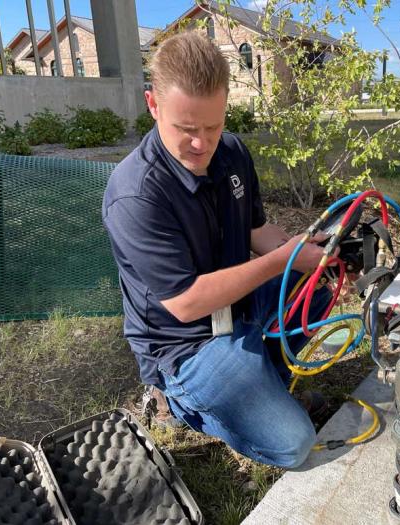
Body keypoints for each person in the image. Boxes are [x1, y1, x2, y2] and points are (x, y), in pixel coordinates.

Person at [102, 32, 332, 468]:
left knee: (316, 281)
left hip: (236, 311)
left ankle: (265, 383)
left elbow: (257, 230)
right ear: (153, 105)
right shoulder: (135, 195)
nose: (201, 143)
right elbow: (188, 304)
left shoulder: (231, 153)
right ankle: (180, 404)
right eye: (186, 129)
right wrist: (280, 261)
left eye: (213, 125)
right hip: (184, 345)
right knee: (294, 444)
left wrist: (311, 254)